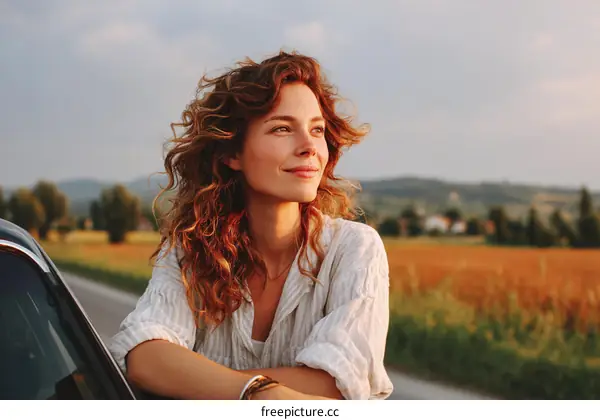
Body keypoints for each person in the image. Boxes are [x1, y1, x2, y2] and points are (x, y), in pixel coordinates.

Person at [107, 50, 394, 401]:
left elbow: (338, 385)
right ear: (232, 153)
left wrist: (196, 383)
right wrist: (262, 395)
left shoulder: (354, 249)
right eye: (282, 129)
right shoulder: (190, 250)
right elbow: (145, 357)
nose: (309, 147)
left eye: (316, 130)